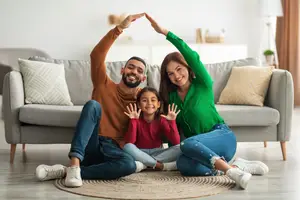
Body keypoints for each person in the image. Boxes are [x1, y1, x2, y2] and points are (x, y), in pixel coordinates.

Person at [145, 13, 269, 190]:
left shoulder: (202, 83)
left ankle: (232, 173)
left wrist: (165, 32)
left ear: (187, 67)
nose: (176, 76)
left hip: (222, 137)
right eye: (170, 74)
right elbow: (174, 133)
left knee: (187, 143)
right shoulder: (170, 98)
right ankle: (237, 167)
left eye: (179, 69)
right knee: (183, 164)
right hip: (198, 148)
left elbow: (192, 56)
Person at [35, 13, 149, 187]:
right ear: (122, 71)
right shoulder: (103, 83)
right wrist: (119, 29)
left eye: (139, 70)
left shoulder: (143, 99)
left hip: (114, 150)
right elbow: (96, 56)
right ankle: (74, 165)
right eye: (130, 67)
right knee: (93, 105)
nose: (134, 71)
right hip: (92, 143)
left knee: (128, 165)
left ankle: (65, 171)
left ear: (143, 78)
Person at [123, 87, 181, 171]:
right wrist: (133, 121)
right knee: (127, 146)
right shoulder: (135, 119)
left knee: (181, 147)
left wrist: (172, 121)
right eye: (144, 100)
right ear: (139, 105)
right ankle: (158, 165)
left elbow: (176, 142)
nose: (149, 103)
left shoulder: (161, 119)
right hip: (140, 151)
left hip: (158, 152)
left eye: (153, 100)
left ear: (158, 104)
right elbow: (131, 141)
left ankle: (145, 164)